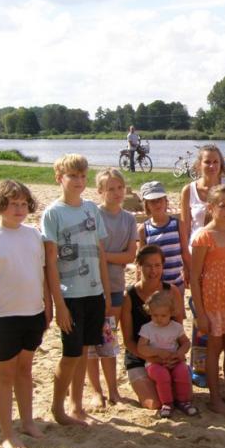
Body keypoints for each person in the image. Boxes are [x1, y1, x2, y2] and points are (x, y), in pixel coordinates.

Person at [41, 154, 111, 426]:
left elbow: (100, 253)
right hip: (69, 295)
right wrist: (59, 304)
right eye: (72, 176)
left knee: (84, 352)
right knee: (70, 354)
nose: (78, 181)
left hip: (94, 293)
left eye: (82, 176)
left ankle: (77, 406)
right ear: (59, 178)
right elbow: (50, 262)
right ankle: (58, 407)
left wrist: (105, 293)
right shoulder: (53, 213)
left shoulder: (92, 208)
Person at [0, 181, 52, 448]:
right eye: (14, 203)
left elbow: (42, 273)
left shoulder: (34, 234)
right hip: (2, 317)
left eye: (24, 204)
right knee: (4, 375)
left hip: (32, 313)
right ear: (1, 205)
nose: (19, 209)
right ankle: (7, 433)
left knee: (25, 371)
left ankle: (27, 422)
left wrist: (48, 305)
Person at [190, 184, 225, 415]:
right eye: (223, 206)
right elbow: (194, 278)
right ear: (211, 207)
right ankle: (215, 398)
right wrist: (200, 313)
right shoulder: (204, 237)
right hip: (213, 299)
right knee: (214, 346)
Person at [86, 169, 137, 408]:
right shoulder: (93, 215)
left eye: (120, 188)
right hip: (90, 286)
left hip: (116, 285)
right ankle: (96, 391)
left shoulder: (128, 219)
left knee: (108, 338)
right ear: (100, 191)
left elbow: (130, 255)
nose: (117, 193)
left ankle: (113, 389)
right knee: (90, 342)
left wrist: (105, 255)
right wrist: (110, 257)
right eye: (111, 189)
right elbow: (90, 252)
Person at [120, 245, 185, 410]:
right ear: (139, 266)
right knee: (154, 404)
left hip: (168, 356)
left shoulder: (172, 291)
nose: (153, 271)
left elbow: (179, 331)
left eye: (157, 265)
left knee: (178, 398)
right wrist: (152, 358)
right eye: (148, 265)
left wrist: (176, 357)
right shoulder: (129, 296)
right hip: (139, 356)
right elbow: (128, 341)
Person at [138, 290, 197, 418]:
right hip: (154, 363)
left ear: (171, 313)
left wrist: (180, 353)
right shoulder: (147, 328)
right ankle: (167, 403)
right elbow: (141, 348)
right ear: (149, 312)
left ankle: (183, 401)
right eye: (155, 315)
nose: (159, 319)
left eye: (163, 315)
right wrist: (157, 352)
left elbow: (186, 343)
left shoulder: (176, 327)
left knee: (182, 371)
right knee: (162, 375)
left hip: (174, 360)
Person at [180, 144, 225, 254]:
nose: (212, 166)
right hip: (196, 247)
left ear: (221, 164)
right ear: (199, 164)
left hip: (224, 247)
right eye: (207, 162)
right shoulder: (188, 190)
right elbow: (184, 227)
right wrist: (185, 255)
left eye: (215, 162)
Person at [137, 181, 189, 297]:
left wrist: (189, 272)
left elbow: (185, 252)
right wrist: (139, 283)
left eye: (160, 199)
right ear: (146, 205)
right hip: (155, 285)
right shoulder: (144, 229)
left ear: (166, 201)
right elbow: (141, 261)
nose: (157, 204)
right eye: (152, 201)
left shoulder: (178, 224)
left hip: (176, 283)